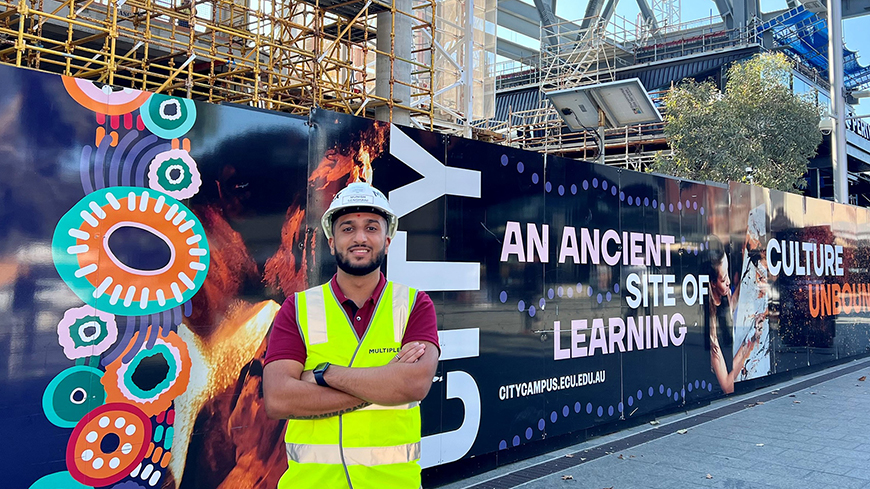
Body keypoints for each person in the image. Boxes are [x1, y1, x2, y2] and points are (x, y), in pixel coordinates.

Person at [263, 182, 439, 489]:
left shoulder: (414, 304)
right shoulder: (298, 308)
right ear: (332, 242)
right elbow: (278, 398)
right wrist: (384, 382)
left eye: (371, 227)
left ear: (387, 240)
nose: (360, 237)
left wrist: (322, 374)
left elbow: (414, 384)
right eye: (347, 228)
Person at [704, 236, 764, 394]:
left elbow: (731, 305)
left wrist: (750, 266)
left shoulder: (722, 297)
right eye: (724, 279)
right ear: (712, 283)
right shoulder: (709, 325)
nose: (729, 281)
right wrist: (750, 340)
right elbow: (728, 387)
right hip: (714, 393)